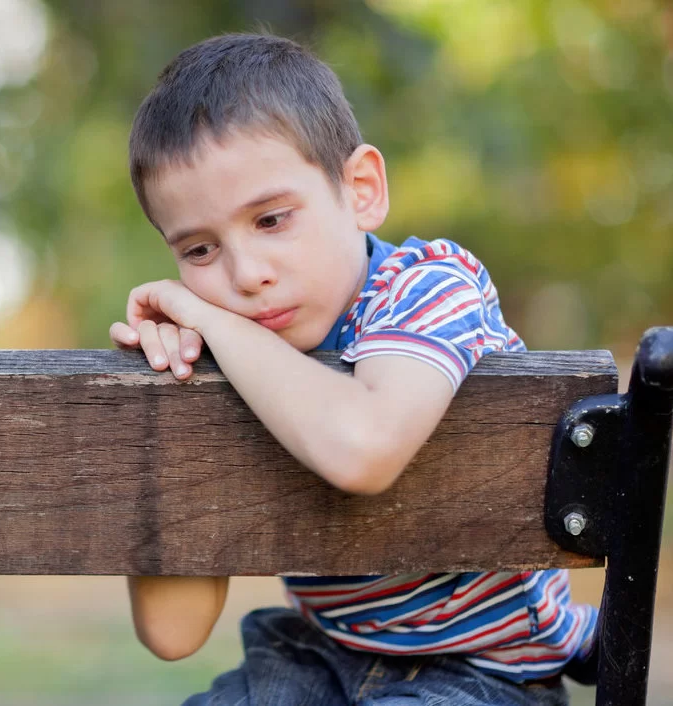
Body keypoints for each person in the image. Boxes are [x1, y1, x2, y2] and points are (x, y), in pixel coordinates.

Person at [107, 33, 597, 705]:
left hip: (483, 673)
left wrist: (214, 321)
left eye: (271, 219)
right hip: (313, 661)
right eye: (198, 249)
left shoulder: (429, 287)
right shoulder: (228, 352)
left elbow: (362, 448)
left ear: (360, 189)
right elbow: (173, 631)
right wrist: (165, 398)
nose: (245, 275)